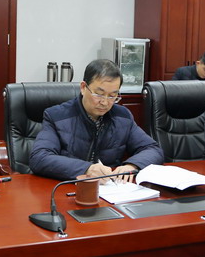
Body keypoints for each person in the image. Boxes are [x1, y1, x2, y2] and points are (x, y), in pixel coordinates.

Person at [29, 59, 164, 181]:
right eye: (99, 94)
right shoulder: (56, 116)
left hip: (111, 190)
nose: (105, 102)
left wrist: (132, 165)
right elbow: (39, 158)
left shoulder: (122, 116)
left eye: (112, 96)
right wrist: (86, 169)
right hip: (70, 188)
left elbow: (153, 149)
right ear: (83, 88)